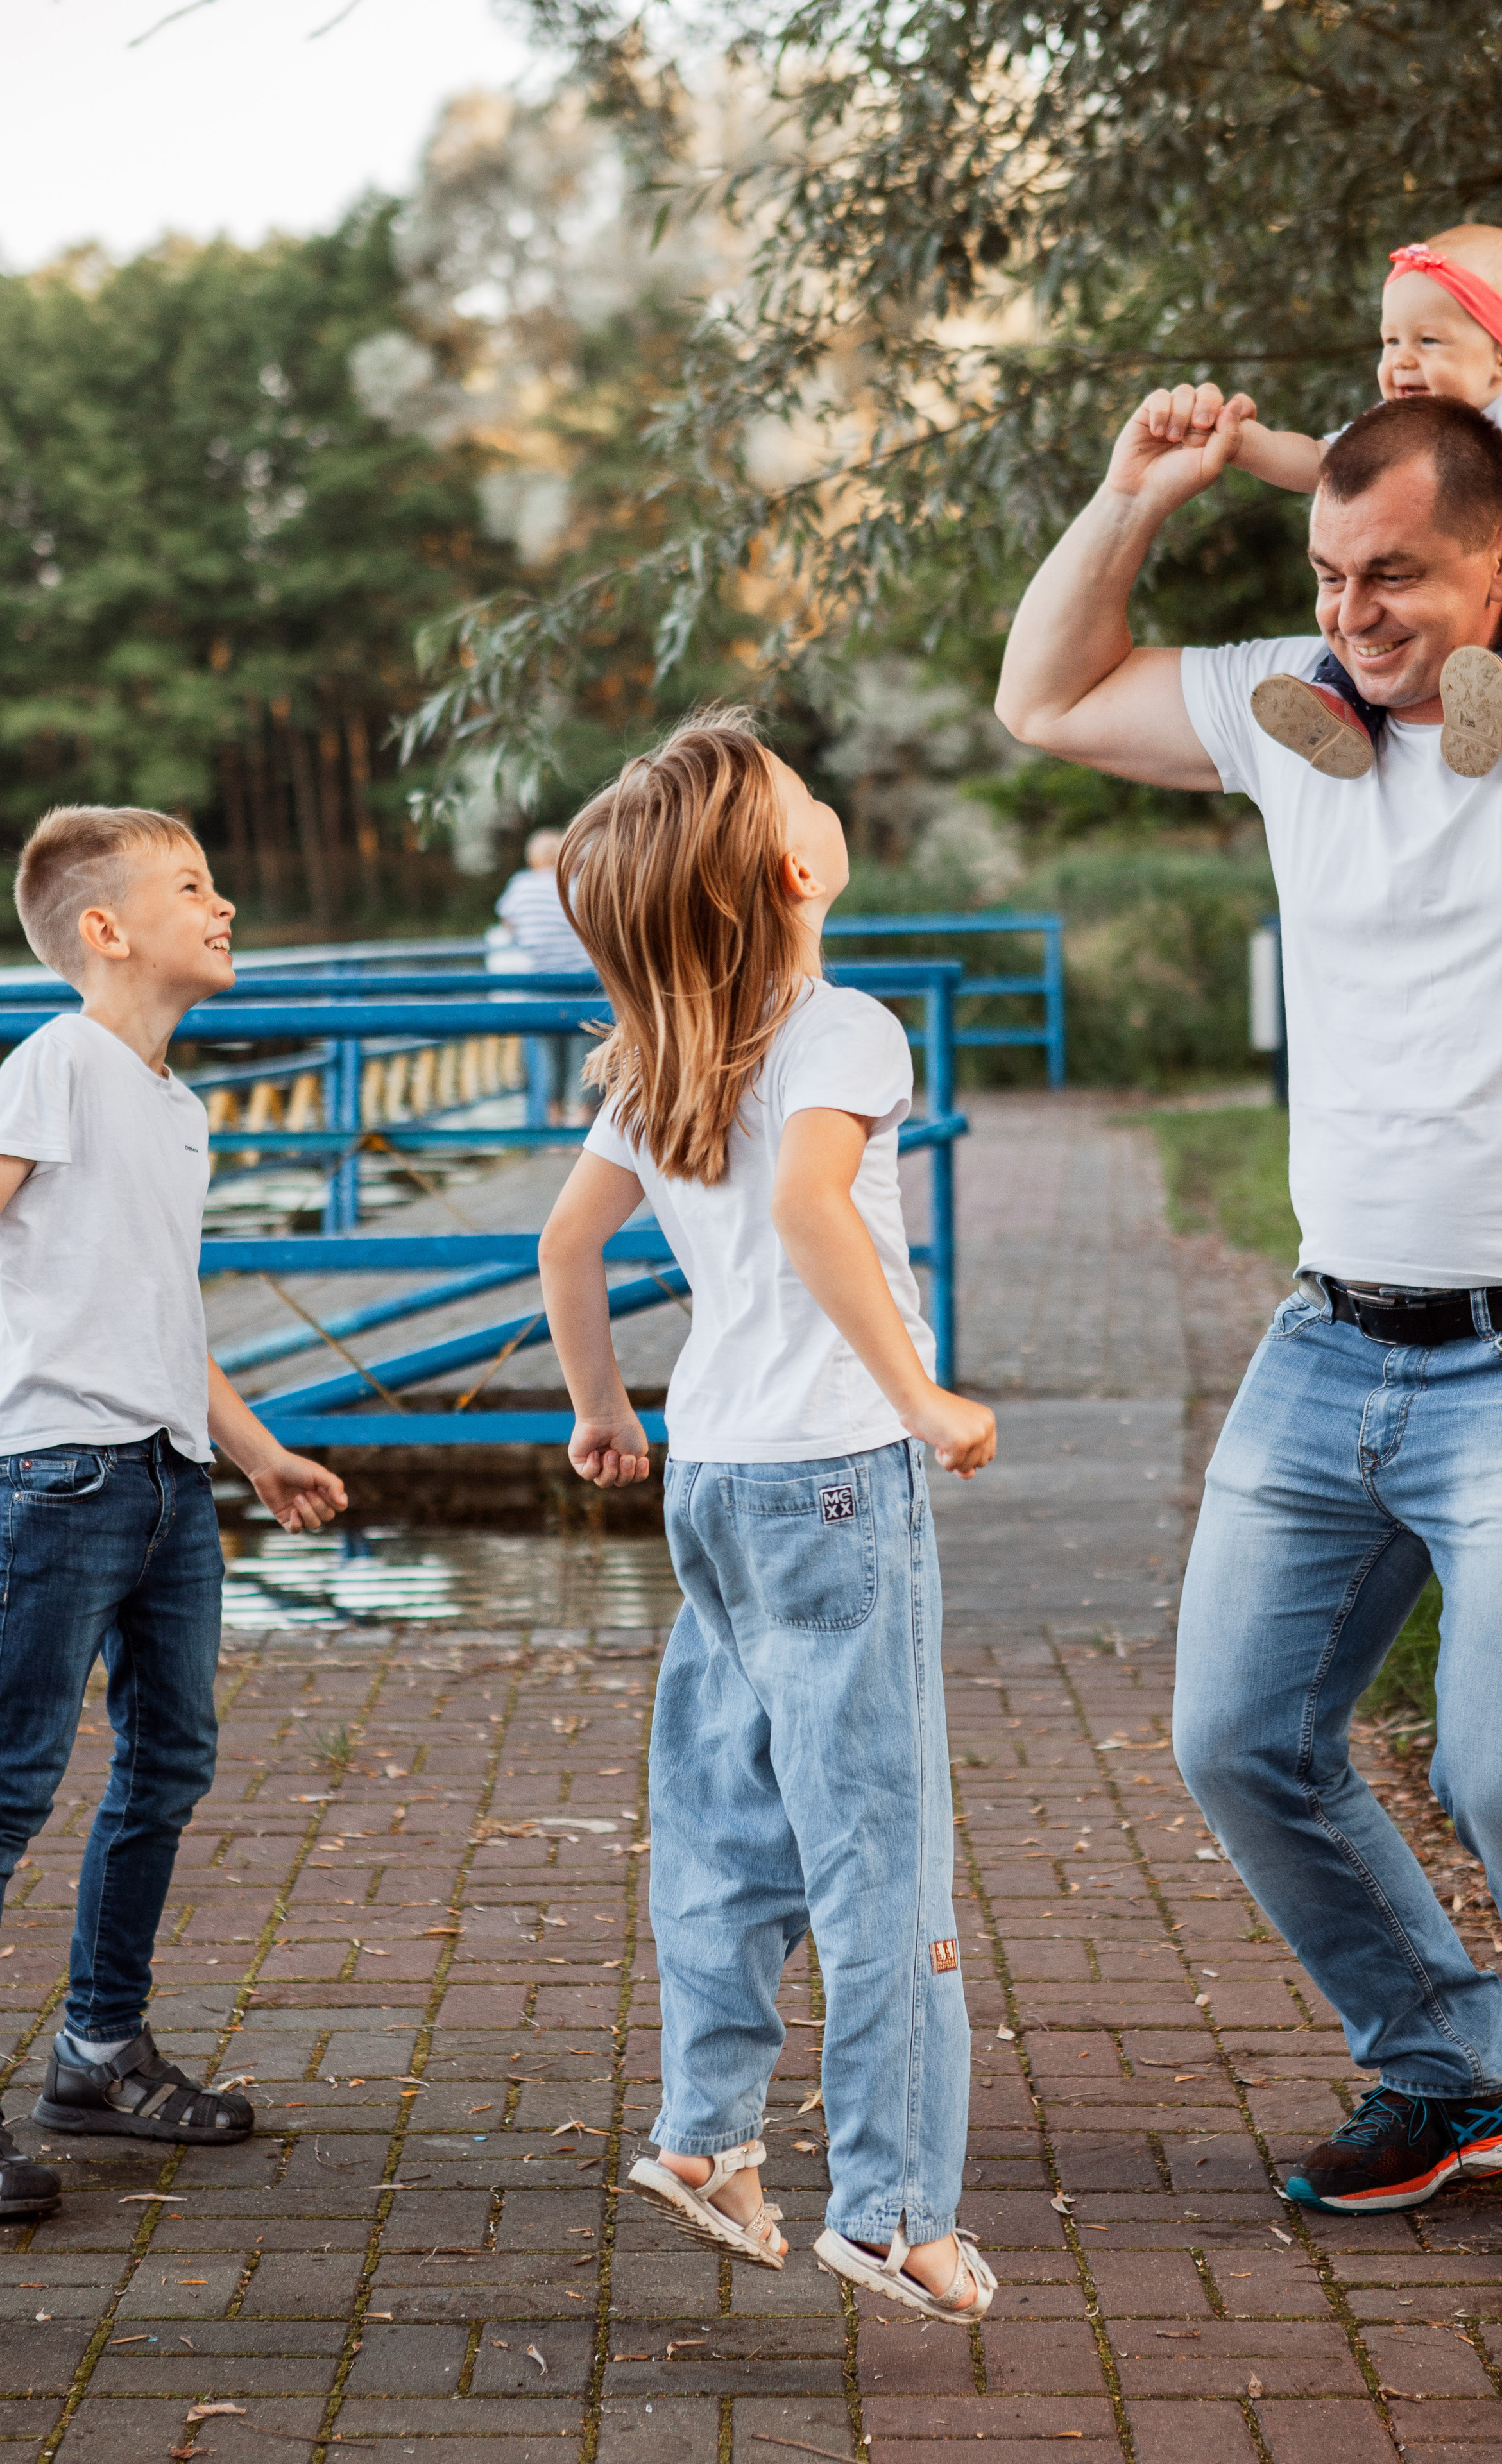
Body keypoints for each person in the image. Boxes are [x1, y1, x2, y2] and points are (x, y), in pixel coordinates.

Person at [995, 376, 1502, 2276]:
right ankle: (1452, 2067)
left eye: (1399, 577)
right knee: (1233, 1736)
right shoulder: (1297, 712)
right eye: (1328, 572)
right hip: (1325, 1344)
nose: (1354, 611)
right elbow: (1043, 697)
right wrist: (1126, 491)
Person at [536, 712, 1000, 2322]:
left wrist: (601, 1409)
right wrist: (925, 1399)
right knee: (881, 1851)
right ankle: (891, 2210)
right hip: (831, 1475)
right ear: (798, 866)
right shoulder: (842, 1026)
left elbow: (566, 1246)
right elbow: (810, 1205)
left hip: (716, 1477)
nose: (822, 804)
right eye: (808, 794)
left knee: (734, 1823)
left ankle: (704, 2134)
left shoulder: (665, 1053)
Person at [0, 805, 347, 2220]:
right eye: (194, 888)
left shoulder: (174, 1104)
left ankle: (97, 2052)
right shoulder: (57, 1065)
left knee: (167, 1765)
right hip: (54, 1480)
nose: (227, 909)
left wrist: (256, 1453)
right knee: (10, 1787)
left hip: (162, 1480)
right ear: (105, 928)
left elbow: (160, 1310)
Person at [1211, 223, 1502, 779]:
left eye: (1428, 341)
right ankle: (1340, 711)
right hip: (1452, 569)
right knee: (1363, 629)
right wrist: (1242, 443)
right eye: (1391, 341)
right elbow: (1319, 460)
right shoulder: (1393, 429)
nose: (1401, 361)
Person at [493, 825, 595, 1126]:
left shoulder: (520, 886)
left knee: (548, 1060)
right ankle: (581, 1122)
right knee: (585, 1057)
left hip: (540, 985)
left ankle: (552, 1123)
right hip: (584, 984)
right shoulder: (576, 887)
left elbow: (507, 923)